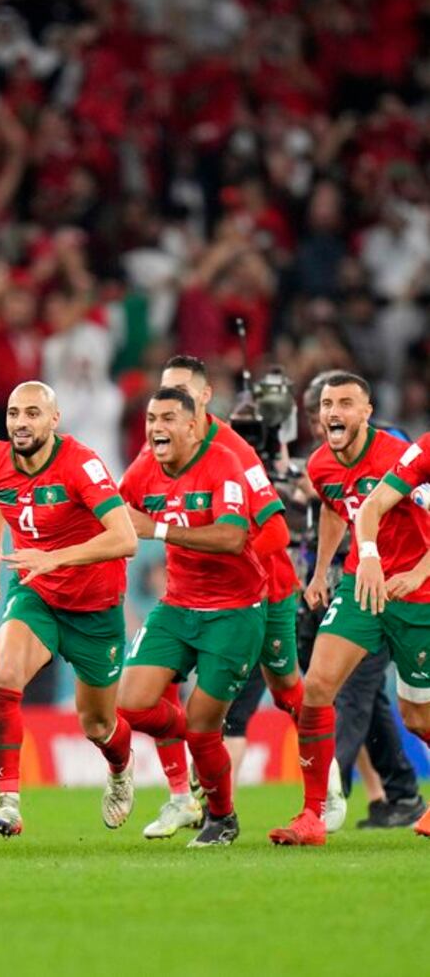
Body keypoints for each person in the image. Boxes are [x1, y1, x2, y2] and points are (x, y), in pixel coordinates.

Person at [140, 356, 308, 839]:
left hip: (260, 592)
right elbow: (123, 505)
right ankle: (181, 793)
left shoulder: (234, 452)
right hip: (184, 601)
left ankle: (324, 793)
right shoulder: (157, 450)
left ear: (203, 399)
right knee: (149, 697)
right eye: (160, 400)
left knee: (288, 691)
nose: (166, 410)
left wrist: (221, 554)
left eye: (178, 397)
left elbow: (274, 532)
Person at [270, 374, 430, 845]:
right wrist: (321, 572)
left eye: (345, 403)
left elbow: (378, 508)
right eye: (326, 404)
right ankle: (313, 815)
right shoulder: (320, 465)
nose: (334, 412)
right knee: (317, 685)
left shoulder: (402, 455)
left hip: (414, 594)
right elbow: (338, 507)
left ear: (366, 412)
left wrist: (420, 572)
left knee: (417, 717)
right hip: (363, 584)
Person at [0, 381, 138, 837]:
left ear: (54, 420)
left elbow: (125, 539)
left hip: (95, 606)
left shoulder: (81, 465)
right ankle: (8, 803)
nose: (20, 423)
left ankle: (122, 771)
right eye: (13, 414)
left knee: (98, 724)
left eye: (31, 413)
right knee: (5, 675)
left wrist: (55, 556)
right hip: (37, 593)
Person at [118, 387, 267, 847]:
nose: (156, 427)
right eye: (149, 418)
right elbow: (112, 516)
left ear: (190, 425)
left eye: (166, 418)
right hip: (178, 607)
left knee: (205, 724)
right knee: (130, 704)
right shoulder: (144, 470)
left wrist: (158, 528)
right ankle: (204, 747)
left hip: (234, 613)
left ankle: (222, 818)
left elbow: (232, 538)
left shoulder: (221, 462)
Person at [354, 429, 430, 839]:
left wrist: (418, 571)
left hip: (423, 585)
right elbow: (373, 504)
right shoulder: (423, 449)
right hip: (418, 595)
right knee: (415, 716)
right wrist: (369, 556)